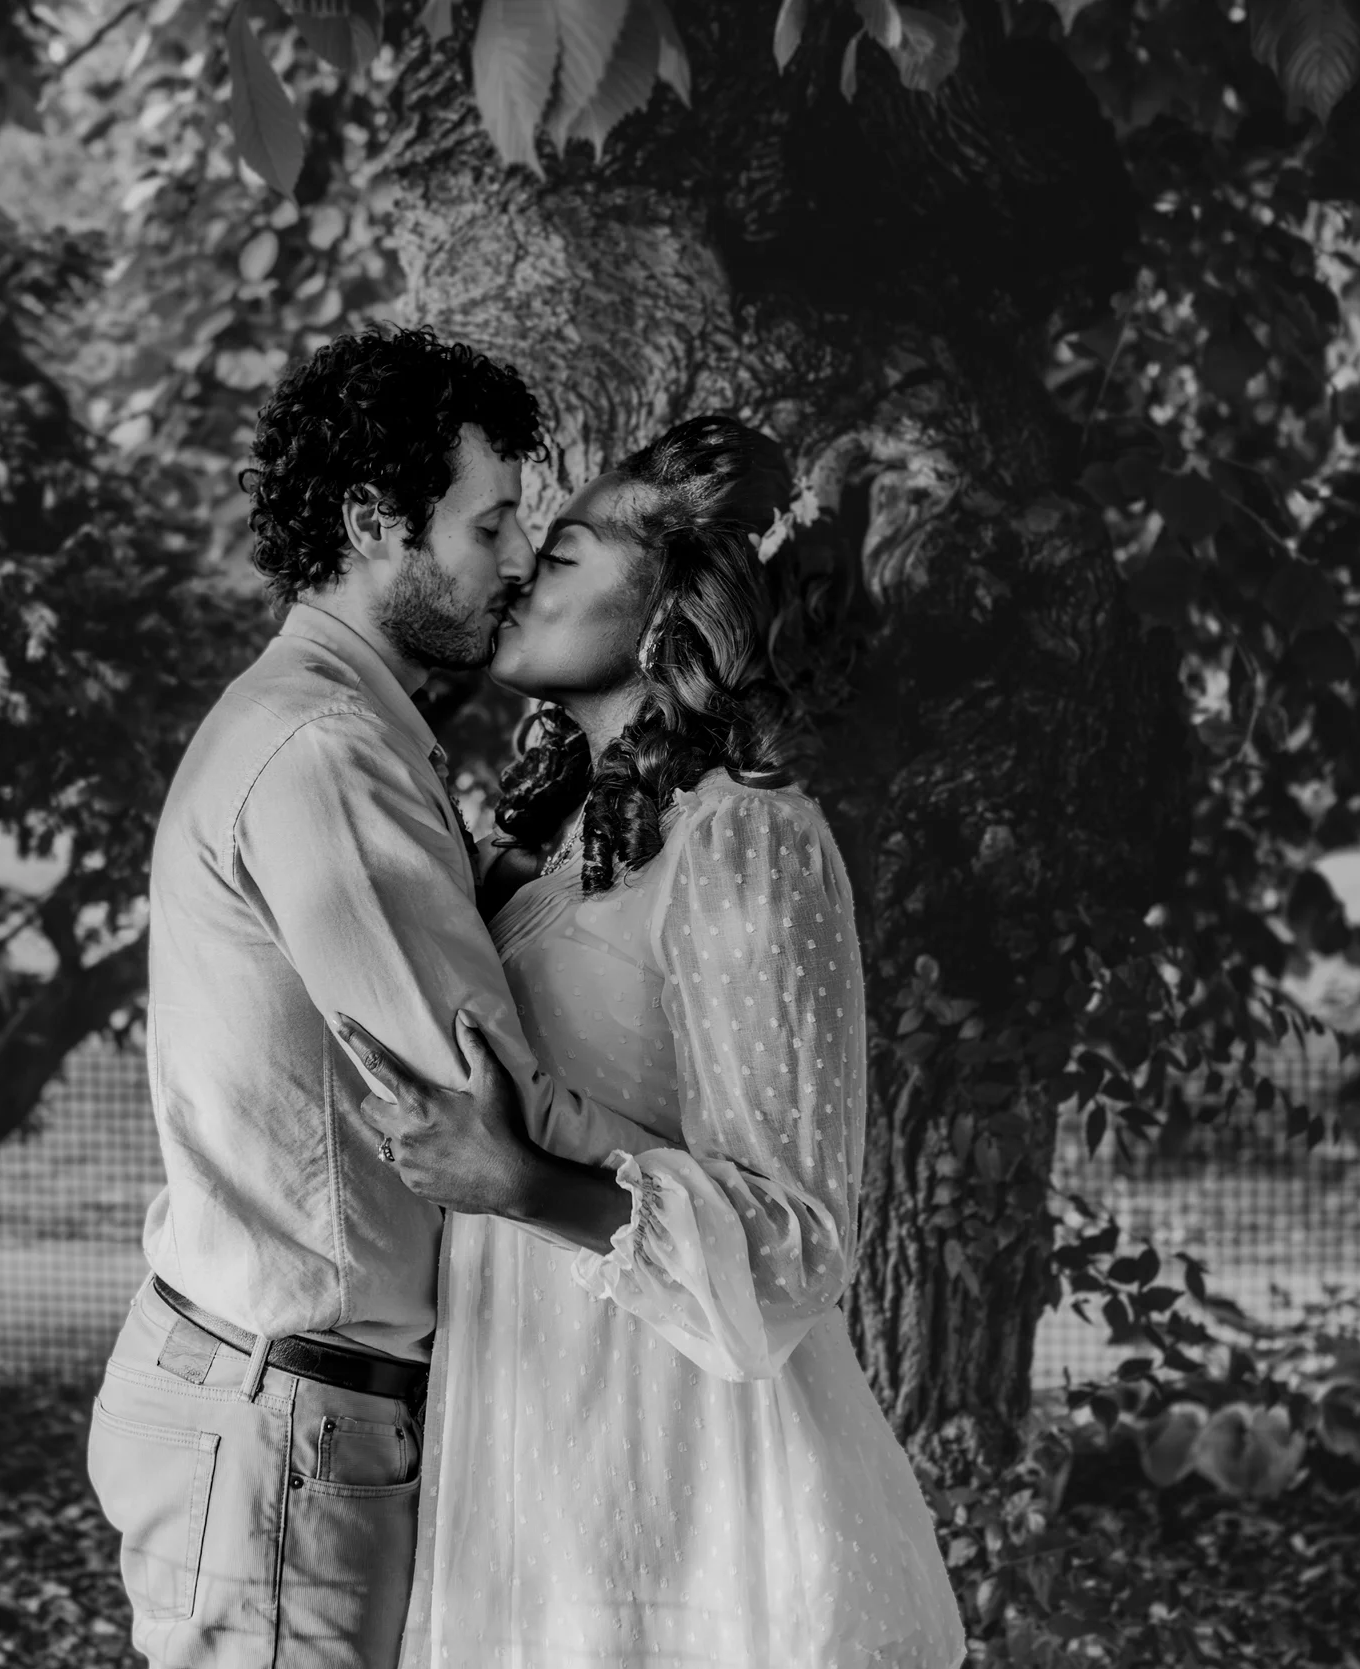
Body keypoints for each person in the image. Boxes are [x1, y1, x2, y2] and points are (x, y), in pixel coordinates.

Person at [337, 415, 969, 1667]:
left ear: (675, 604)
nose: (520, 570)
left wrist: (520, 1183)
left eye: (563, 555)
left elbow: (794, 1239)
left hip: (683, 1456)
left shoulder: (744, 839)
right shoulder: (548, 843)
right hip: (532, 1432)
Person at [85, 325, 653, 1669]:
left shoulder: (324, 721)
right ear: (370, 520)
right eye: (490, 521)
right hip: (290, 1417)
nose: (517, 559)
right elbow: (485, 1104)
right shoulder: (324, 751)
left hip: (267, 1395)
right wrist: (713, 1201)